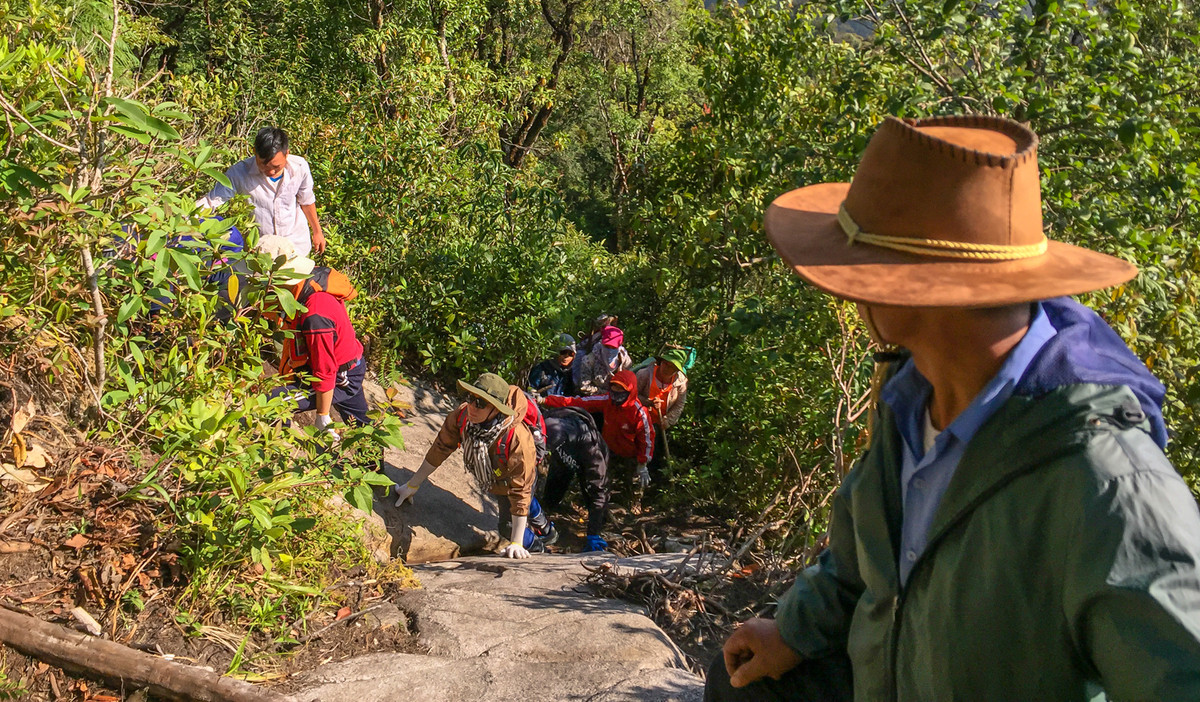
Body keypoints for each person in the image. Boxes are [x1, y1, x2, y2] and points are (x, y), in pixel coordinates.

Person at [707, 115, 1200, 701]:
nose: (846, 288)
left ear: (912, 288)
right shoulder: (911, 400)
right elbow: (859, 561)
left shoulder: (1108, 485)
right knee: (739, 684)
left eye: (857, 263)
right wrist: (792, 632)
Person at [394, 373, 557, 558]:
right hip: (496, 475)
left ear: (497, 409)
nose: (472, 406)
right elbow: (440, 448)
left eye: (481, 403)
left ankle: (540, 549)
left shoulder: (517, 439)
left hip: (514, 478)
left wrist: (517, 543)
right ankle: (544, 527)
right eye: (471, 398)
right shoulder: (463, 416)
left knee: (508, 527)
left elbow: (522, 490)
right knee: (521, 500)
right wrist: (412, 485)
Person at [261, 236, 369, 439]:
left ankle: (276, 450)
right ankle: (374, 466)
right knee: (362, 425)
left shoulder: (315, 315)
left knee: (270, 403)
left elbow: (325, 369)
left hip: (340, 375)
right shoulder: (306, 284)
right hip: (349, 363)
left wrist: (323, 415)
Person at [196, 126, 327, 256]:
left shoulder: (299, 167)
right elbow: (212, 201)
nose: (270, 171)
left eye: (276, 166)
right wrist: (185, 220)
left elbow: (307, 200)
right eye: (263, 164)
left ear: (287, 153)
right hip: (261, 248)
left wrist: (317, 232)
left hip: (296, 244)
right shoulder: (239, 173)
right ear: (254, 152)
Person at [543, 369, 654, 498]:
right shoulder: (607, 400)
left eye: (621, 390)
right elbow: (578, 402)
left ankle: (634, 504)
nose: (616, 394)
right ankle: (604, 506)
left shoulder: (639, 412)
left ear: (630, 391)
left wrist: (643, 463)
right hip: (608, 450)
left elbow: (647, 438)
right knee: (602, 481)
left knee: (635, 484)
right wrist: (545, 400)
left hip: (631, 455)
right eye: (614, 388)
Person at [541, 406, 610, 552]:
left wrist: (593, 534)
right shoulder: (548, 420)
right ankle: (546, 514)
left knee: (591, 494)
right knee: (555, 483)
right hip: (563, 460)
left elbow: (599, 491)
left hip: (583, 461)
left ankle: (597, 529)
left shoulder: (592, 452)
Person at [634, 348, 690, 478]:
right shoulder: (644, 375)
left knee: (657, 450)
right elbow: (632, 396)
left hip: (661, 422)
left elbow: (679, 404)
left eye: (671, 367)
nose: (666, 368)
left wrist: (668, 420)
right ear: (661, 362)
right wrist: (648, 402)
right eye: (665, 363)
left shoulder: (681, 383)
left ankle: (656, 477)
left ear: (677, 370)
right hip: (641, 419)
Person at [577, 324, 632, 396]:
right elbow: (584, 387)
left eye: (613, 347)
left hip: (619, 398)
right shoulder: (589, 360)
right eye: (607, 346)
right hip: (595, 400)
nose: (609, 350)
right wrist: (606, 394)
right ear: (602, 343)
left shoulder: (625, 360)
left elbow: (628, 382)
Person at [528, 333, 578, 398]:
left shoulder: (571, 373)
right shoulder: (541, 368)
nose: (566, 357)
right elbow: (531, 389)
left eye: (571, 354)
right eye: (563, 352)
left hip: (562, 407)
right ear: (555, 352)